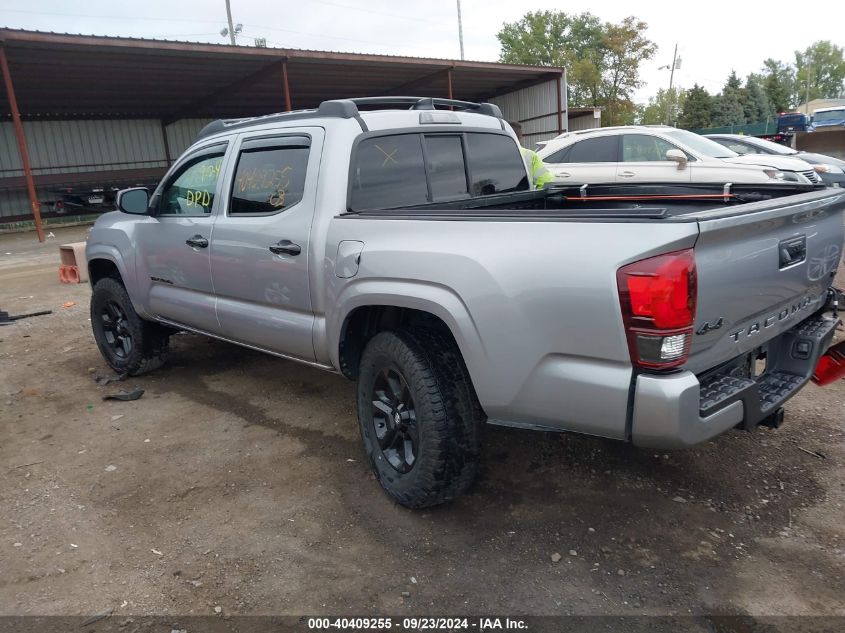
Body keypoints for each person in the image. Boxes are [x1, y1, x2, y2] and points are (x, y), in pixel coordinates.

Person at [508, 121, 554, 189]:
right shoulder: (530, 156)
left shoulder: (491, 154)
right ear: (521, 137)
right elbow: (546, 180)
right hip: (524, 197)